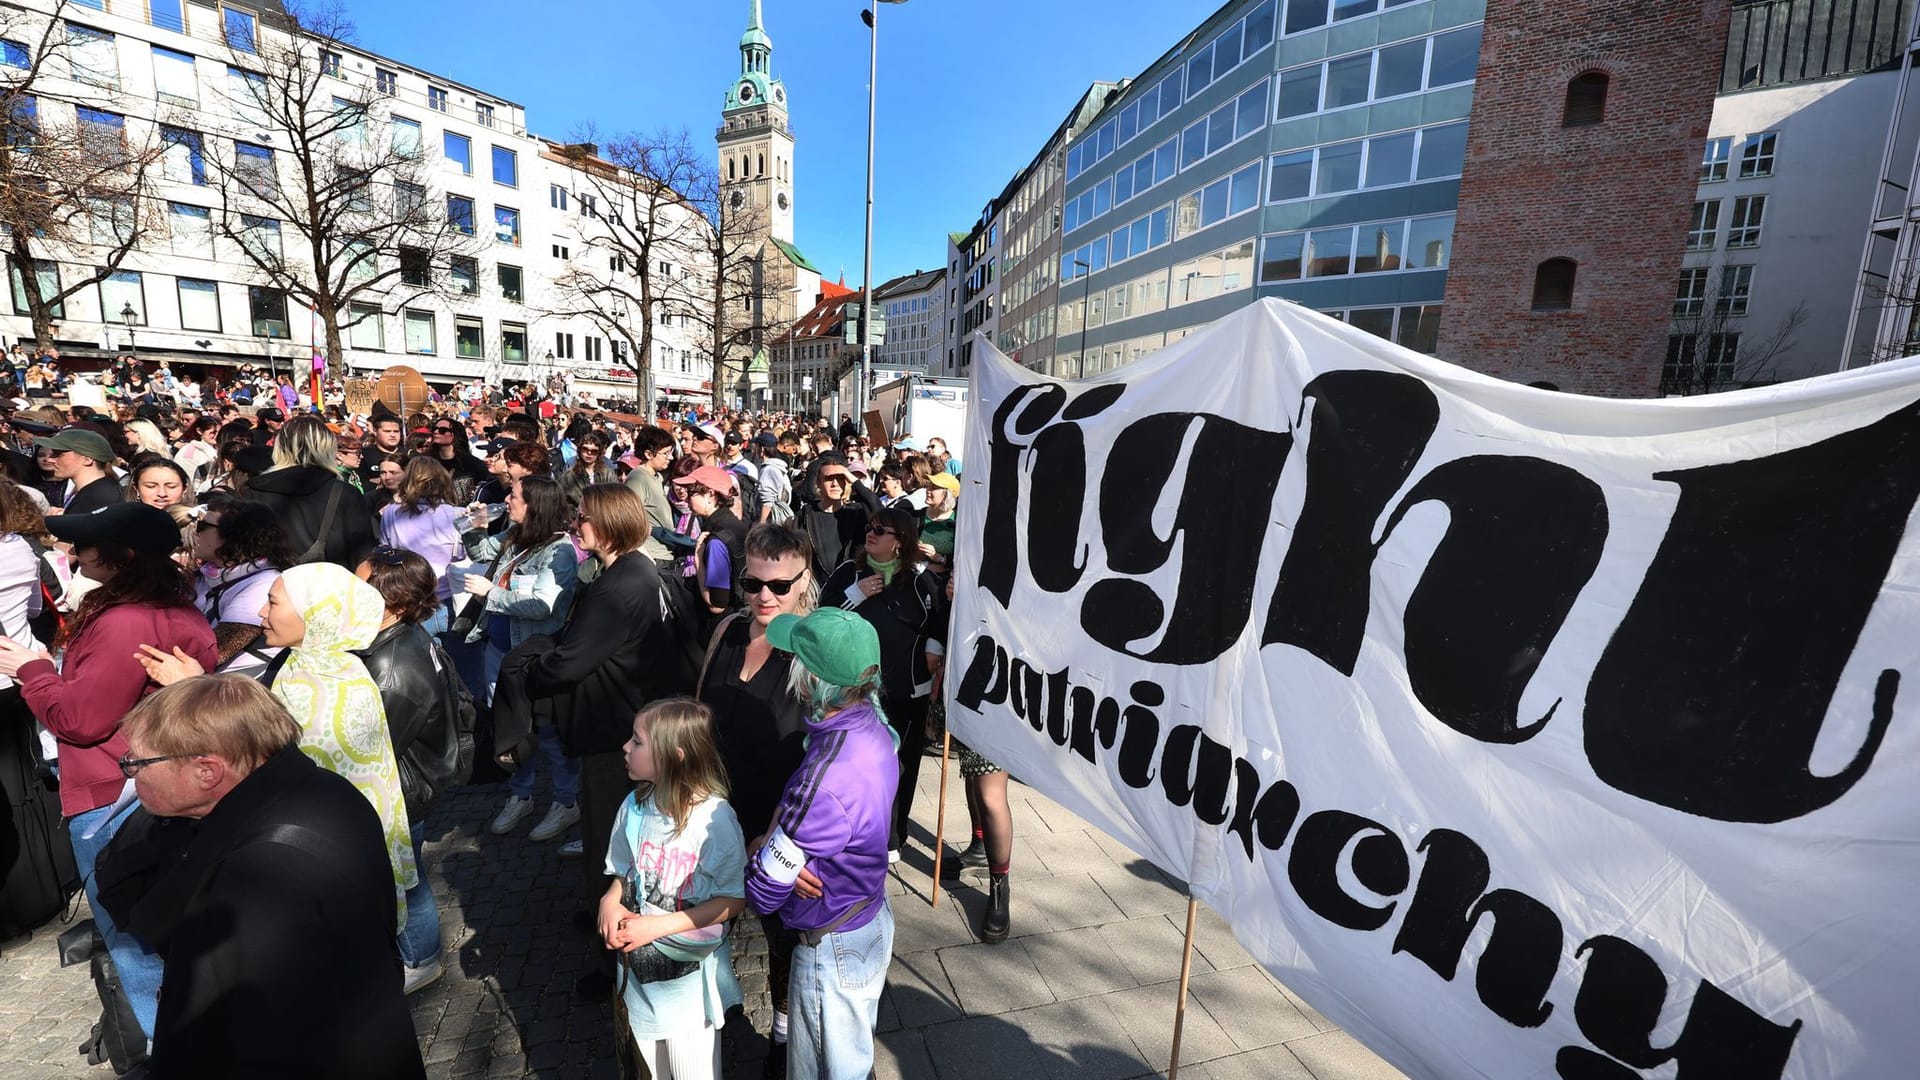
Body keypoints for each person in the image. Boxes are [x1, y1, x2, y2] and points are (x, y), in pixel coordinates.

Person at [105, 676, 426, 1079]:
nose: (130, 774)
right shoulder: (325, 788)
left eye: (137, 762)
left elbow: (236, 1038)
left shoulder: (251, 880)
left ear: (207, 771)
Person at [0, 502, 217, 1044]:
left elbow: (80, 720)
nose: (72, 552)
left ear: (120, 557)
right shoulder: (172, 607)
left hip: (116, 794)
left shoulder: (124, 620)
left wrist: (32, 672)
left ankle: (168, 1050)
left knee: (132, 937)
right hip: (155, 785)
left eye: (83, 544)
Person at [138, 563, 418, 930]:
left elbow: (258, 754)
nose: (261, 613)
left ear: (313, 614)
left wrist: (193, 687)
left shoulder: (316, 687)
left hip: (317, 861)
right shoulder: (332, 666)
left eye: (272, 602)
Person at [745, 607, 897, 1080]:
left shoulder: (825, 776)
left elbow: (763, 890)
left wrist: (760, 845)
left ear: (812, 680)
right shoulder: (875, 725)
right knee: (850, 1058)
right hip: (867, 914)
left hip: (830, 943)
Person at [516, 483, 694, 881]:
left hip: (614, 730)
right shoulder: (636, 568)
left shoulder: (617, 587)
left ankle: (610, 917)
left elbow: (568, 664)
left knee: (610, 826)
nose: (575, 524)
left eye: (583, 517)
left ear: (610, 525)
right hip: (631, 718)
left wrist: (530, 667)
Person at [697, 522, 814, 1065]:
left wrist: (778, 834)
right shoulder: (726, 634)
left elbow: (828, 761)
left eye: (780, 585)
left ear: (804, 580)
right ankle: (715, 1017)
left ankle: (786, 1037)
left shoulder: (816, 657)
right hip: (715, 818)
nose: (764, 596)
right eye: (753, 583)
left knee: (783, 942)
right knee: (706, 927)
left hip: (778, 830)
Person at [600, 698, 746, 1080]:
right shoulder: (633, 806)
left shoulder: (714, 821)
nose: (626, 748)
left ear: (674, 756)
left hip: (688, 1002)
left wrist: (656, 927)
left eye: (637, 741)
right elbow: (624, 871)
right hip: (637, 989)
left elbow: (733, 899)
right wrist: (610, 898)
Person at [354, 548, 458, 992]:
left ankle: (422, 958)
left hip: (403, 788)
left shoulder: (390, 668)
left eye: (360, 585)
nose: (349, 593)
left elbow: (374, 745)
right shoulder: (402, 638)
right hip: (411, 778)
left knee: (406, 879)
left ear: (391, 602)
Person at [819, 508, 944, 862]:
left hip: (907, 691)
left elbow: (937, 620)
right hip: (854, 692)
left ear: (901, 541)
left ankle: (893, 835)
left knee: (901, 765)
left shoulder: (919, 580)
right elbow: (823, 617)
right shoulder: (850, 571)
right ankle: (857, 831)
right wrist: (856, 595)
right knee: (859, 764)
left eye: (881, 530)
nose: (870, 534)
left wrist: (934, 648)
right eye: (870, 528)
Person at [465, 476, 581, 843]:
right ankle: (521, 794)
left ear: (534, 504)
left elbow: (543, 605)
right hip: (499, 652)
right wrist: (474, 527)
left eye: (514, 496)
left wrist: (491, 595)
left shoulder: (558, 551)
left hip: (531, 657)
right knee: (511, 728)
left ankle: (566, 801)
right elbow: (482, 552)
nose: (507, 500)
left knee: (546, 732)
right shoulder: (517, 537)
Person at [245, 415, 378, 567]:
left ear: (279, 447)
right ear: (327, 449)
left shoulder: (253, 491)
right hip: (333, 586)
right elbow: (363, 557)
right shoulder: (345, 493)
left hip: (269, 585)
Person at [190, 499, 290, 679]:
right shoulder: (209, 575)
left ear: (233, 535)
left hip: (231, 692)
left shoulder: (264, 585)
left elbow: (215, 653)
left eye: (203, 526)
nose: (196, 532)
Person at [377, 457, 465, 634]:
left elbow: (385, 554)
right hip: (448, 599)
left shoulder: (391, 513)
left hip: (410, 601)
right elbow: (463, 558)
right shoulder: (458, 514)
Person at [677, 465, 747, 624]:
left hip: (725, 624)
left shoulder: (716, 541)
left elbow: (717, 605)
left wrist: (698, 559)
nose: (686, 498)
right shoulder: (736, 524)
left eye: (691, 493)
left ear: (710, 494)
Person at [797, 458, 870, 581]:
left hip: (851, 587)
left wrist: (853, 480)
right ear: (818, 483)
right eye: (829, 478)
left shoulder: (856, 512)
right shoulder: (805, 515)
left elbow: (883, 514)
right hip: (816, 588)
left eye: (840, 478)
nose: (835, 484)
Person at [35, 427, 120, 515]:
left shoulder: (100, 497)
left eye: (58, 454)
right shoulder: (92, 491)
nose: (50, 460)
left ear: (87, 459)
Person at [625, 426, 677, 568]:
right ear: (648, 454)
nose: (670, 458)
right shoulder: (638, 478)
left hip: (663, 554)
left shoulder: (657, 477)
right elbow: (628, 520)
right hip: (651, 556)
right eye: (665, 453)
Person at [558, 430, 618, 508]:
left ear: (599, 453)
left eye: (594, 451)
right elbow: (562, 502)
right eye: (585, 449)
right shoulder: (568, 477)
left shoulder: (608, 474)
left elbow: (615, 498)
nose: (589, 453)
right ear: (580, 450)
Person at [174, 416, 220, 493]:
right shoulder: (191, 450)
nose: (217, 435)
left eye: (219, 432)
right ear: (199, 431)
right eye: (213, 432)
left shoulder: (214, 447)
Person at [127, 457, 193, 511]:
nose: (162, 493)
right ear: (136, 488)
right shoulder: (122, 524)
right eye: (151, 486)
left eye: (171, 486)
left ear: (184, 489)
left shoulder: (199, 523)